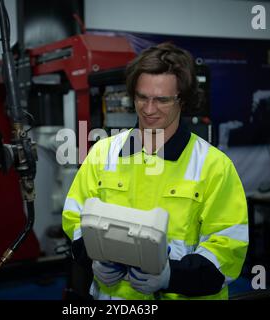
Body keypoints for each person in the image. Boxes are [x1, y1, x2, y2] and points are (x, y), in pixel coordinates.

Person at [62, 42, 248, 300]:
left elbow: (228, 248)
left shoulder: (214, 165)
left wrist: (172, 276)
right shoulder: (103, 153)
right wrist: (93, 258)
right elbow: (74, 217)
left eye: (161, 100)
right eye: (142, 97)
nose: (149, 109)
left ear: (182, 99)